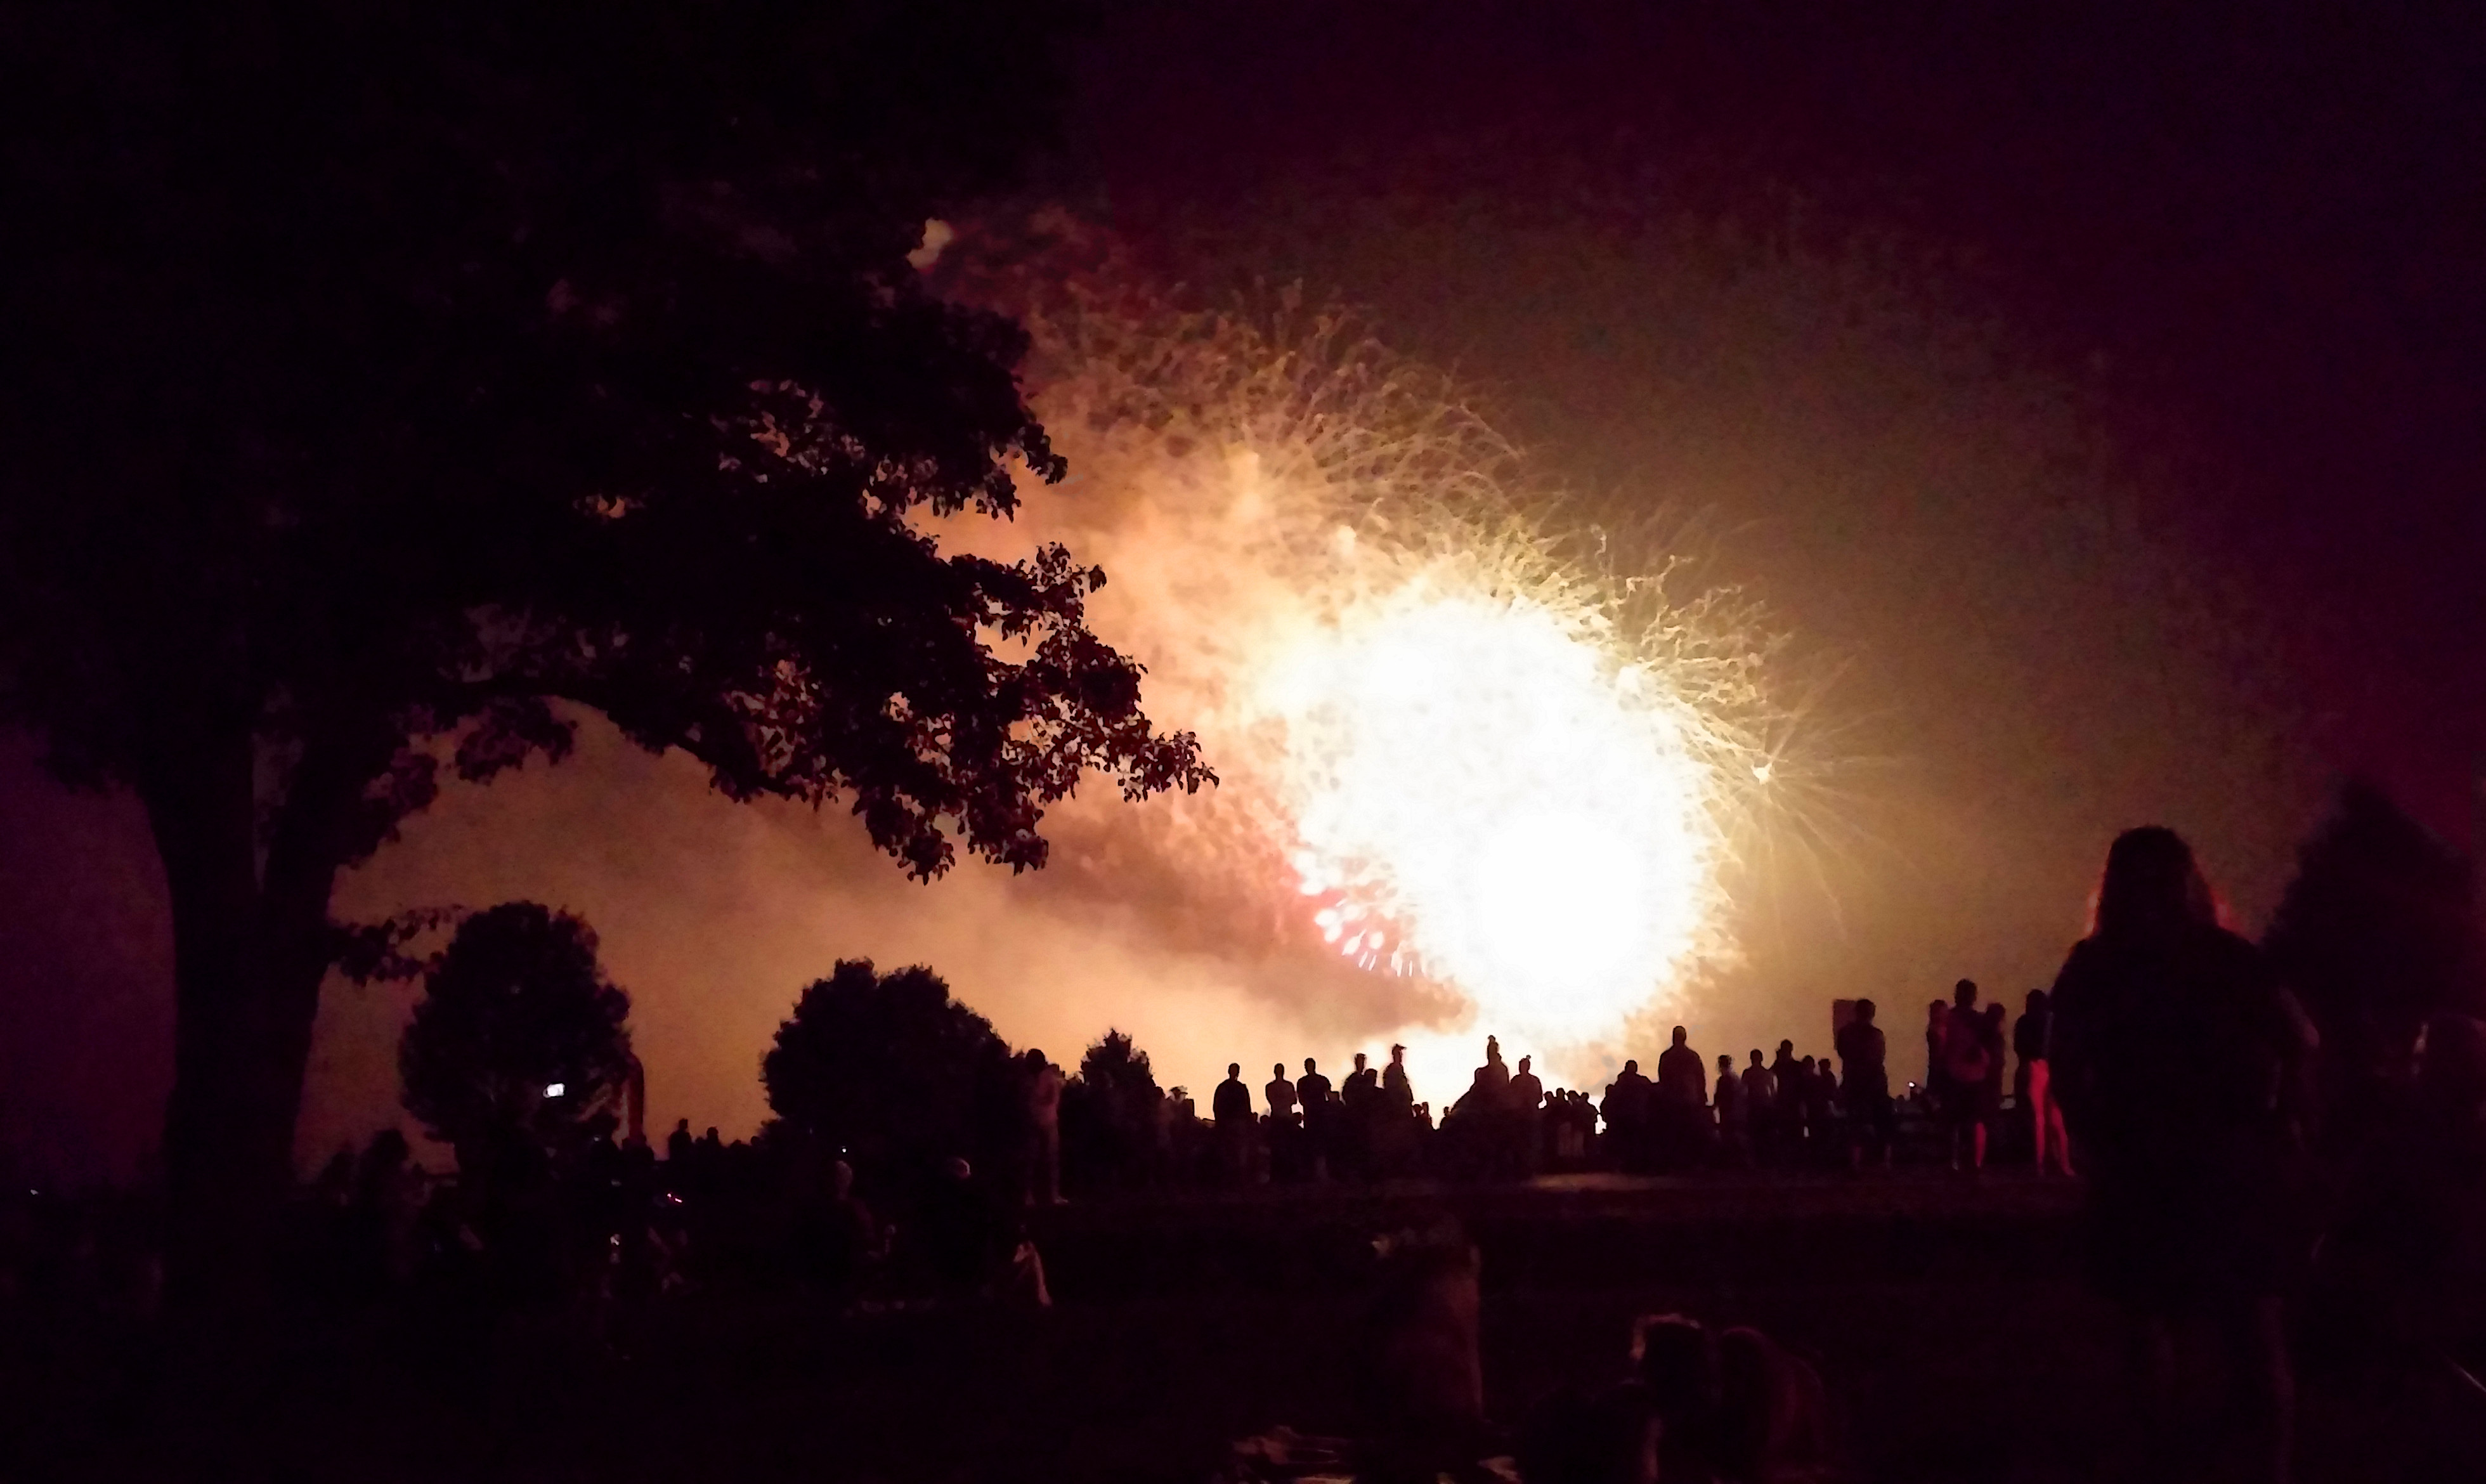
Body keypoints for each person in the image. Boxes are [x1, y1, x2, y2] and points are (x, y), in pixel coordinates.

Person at [2050, 826, 2313, 1484]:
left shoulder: (2094, 965)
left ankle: (2158, 1462)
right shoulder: (2228, 959)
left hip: (2139, 1160)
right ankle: (2267, 1469)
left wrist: (2089, 1133)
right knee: (2252, 1325)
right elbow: (2301, 1040)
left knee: (2147, 1325)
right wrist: (2284, 1119)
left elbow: (2061, 1064)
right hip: (2229, 1160)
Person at [2016, 989, 2073, 1175]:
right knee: (2057, 1118)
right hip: (2053, 1067)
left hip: (2034, 1066)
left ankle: (2040, 1164)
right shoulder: (2054, 1022)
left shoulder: (2024, 1022)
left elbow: (2020, 1047)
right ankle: (2064, 1163)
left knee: (2038, 1118)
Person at [1834, 999, 1896, 1170]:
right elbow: (1879, 1057)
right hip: (1874, 1081)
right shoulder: (1876, 1035)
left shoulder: (1846, 1033)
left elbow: (1843, 1053)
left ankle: (1856, 1162)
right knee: (1884, 1122)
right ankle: (1885, 1161)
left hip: (1855, 1082)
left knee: (1856, 1123)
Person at [1942, 980, 1996, 1171]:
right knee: (1976, 1120)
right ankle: (1976, 1160)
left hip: (1954, 1074)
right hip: (1977, 1076)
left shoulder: (1949, 1019)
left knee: (1954, 1122)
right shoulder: (1980, 1021)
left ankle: (1954, 1160)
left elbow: (1943, 1048)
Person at [1656, 1026, 1707, 1171]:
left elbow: (1663, 1079)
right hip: (1690, 1100)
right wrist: (1701, 1097)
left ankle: (1676, 1162)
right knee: (1690, 1132)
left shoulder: (1667, 1057)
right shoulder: (1692, 1056)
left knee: (1674, 1132)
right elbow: (1700, 1078)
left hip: (1672, 1100)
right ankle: (1691, 1162)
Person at [1022, 1048, 1064, 1206]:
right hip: (1041, 1122)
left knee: (1047, 1160)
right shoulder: (1036, 1078)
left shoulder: (1046, 1077)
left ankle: (1050, 1195)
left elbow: (1049, 1098)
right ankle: (1038, 1195)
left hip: (1045, 1121)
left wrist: (1033, 1097)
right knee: (1036, 1161)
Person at [1213, 1062, 1254, 1185]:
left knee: (1231, 1151)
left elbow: (1217, 1106)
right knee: (1235, 1151)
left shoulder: (1224, 1088)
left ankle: (1231, 1178)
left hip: (1231, 1123)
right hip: (1233, 1124)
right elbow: (1247, 1107)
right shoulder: (1239, 1088)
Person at [1298, 1057, 1335, 1179]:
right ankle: (1317, 1172)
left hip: (1317, 1115)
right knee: (1315, 1143)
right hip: (1314, 1115)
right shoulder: (1319, 1081)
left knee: (1319, 1142)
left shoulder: (1306, 1082)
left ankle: (1320, 1172)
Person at [1714, 1053, 1747, 1167]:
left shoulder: (1724, 1080)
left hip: (1728, 1111)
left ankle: (1731, 1161)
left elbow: (1719, 1097)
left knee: (1728, 1136)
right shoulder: (1735, 1079)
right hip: (1735, 1111)